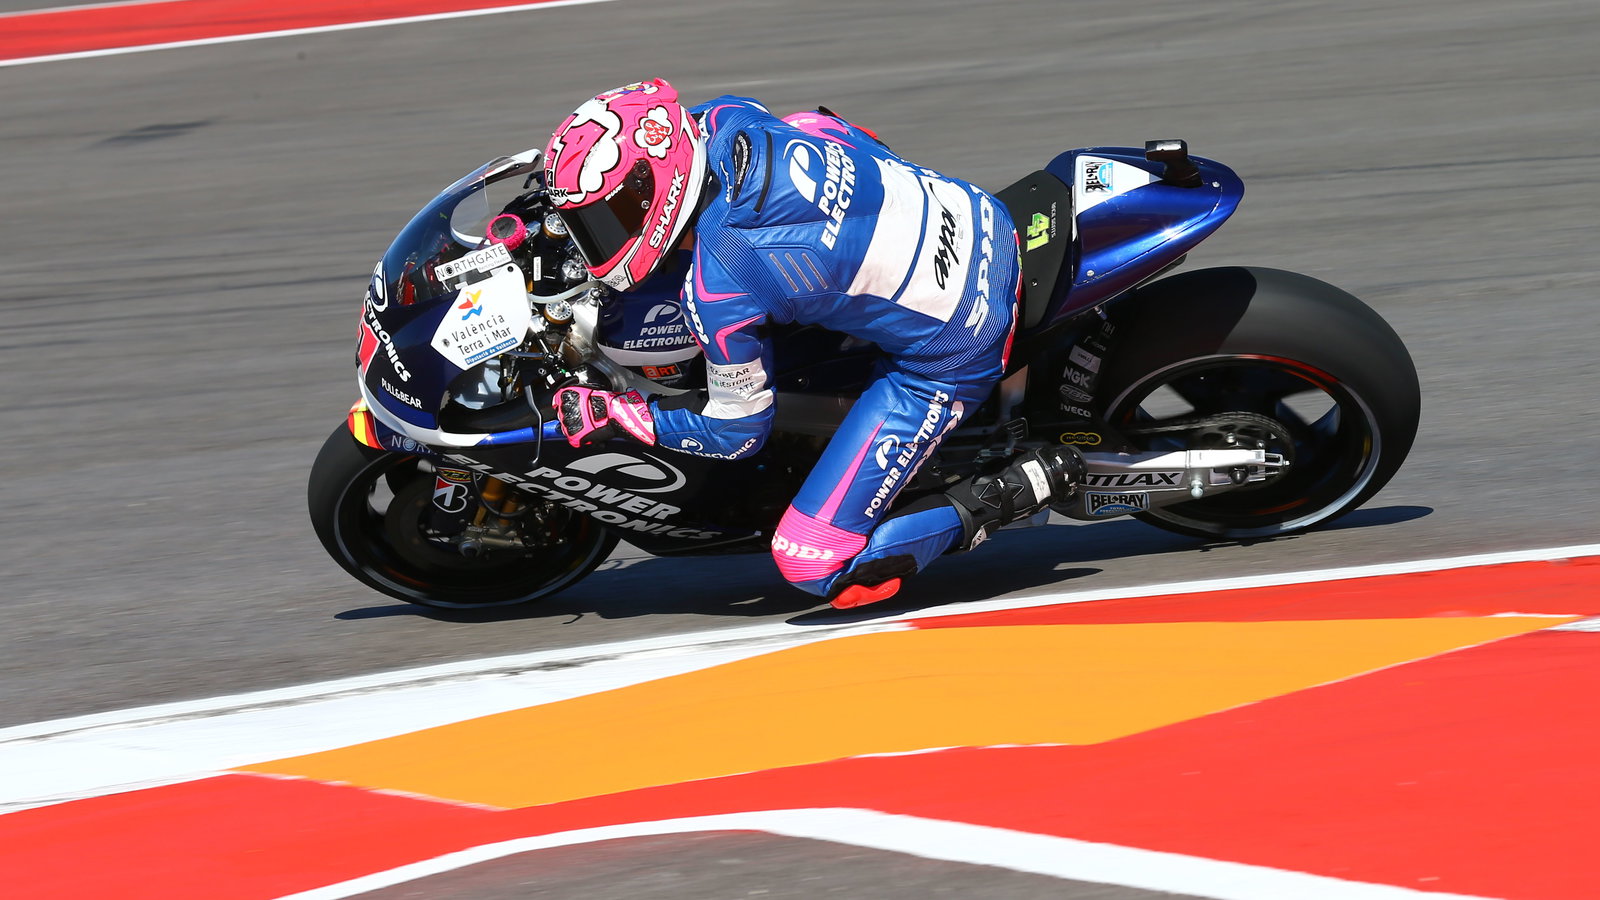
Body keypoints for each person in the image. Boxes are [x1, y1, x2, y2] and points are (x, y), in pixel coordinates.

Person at [544, 78, 1083, 609]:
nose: (596, 235)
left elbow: (736, 433)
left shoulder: (721, 283)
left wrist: (630, 418)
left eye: (604, 219)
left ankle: (1013, 489)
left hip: (959, 340)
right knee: (809, 136)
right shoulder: (727, 117)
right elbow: (839, 131)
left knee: (809, 558)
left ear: (653, 190)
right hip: (975, 212)